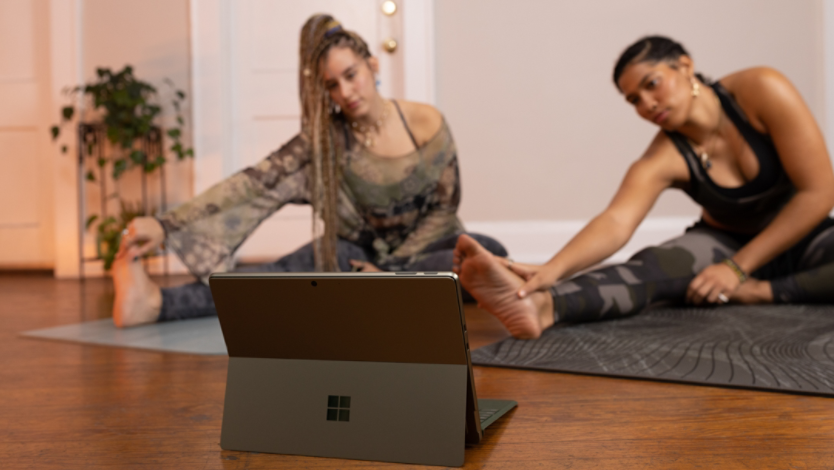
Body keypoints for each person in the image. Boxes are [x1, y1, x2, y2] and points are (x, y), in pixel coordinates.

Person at [112, 14, 506, 327]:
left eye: (351, 75)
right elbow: (251, 185)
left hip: (425, 251)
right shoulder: (323, 142)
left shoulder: (424, 121)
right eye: (332, 85)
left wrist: (386, 272)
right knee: (286, 276)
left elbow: (443, 208)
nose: (346, 92)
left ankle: (386, 289)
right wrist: (166, 225)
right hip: (354, 258)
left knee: (488, 254)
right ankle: (156, 303)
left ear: (371, 65)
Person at [454, 36, 834, 339]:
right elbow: (617, 221)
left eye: (652, 85)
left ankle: (764, 291)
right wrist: (550, 271)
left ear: (685, 66)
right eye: (634, 99)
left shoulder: (760, 89)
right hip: (723, 241)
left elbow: (818, 193)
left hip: (802, 235)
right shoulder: (662, 156)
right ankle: (543, 307)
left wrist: (740, 272)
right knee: (650, 268)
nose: (648, 104)